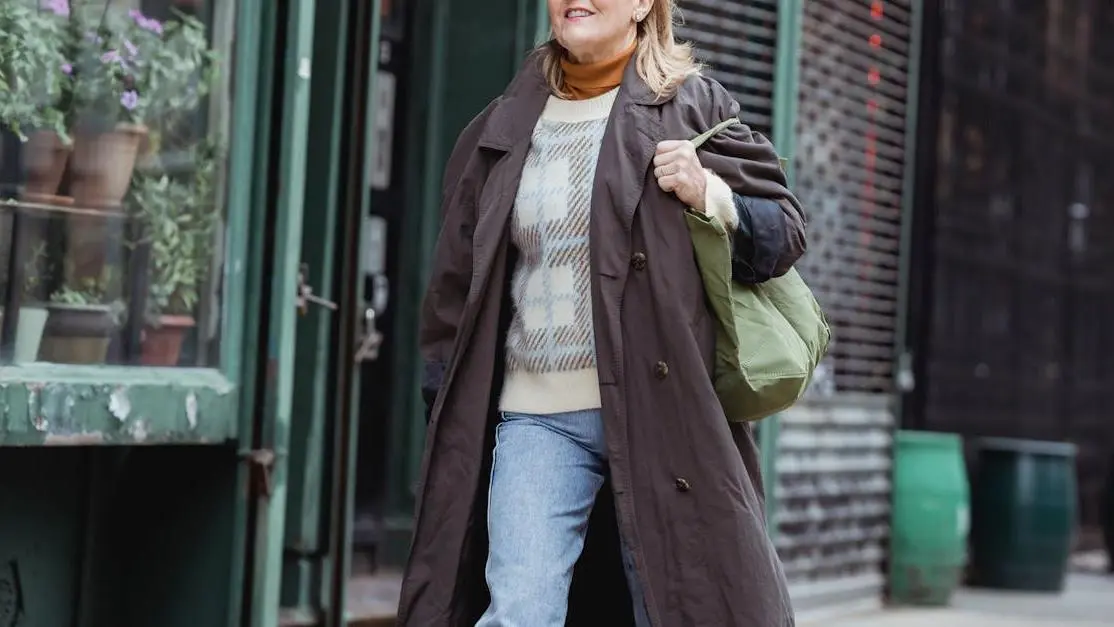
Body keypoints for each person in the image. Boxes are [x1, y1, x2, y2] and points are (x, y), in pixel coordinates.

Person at [397, 0, 807, 625]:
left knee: (679, 606)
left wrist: (709, 194)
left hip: (659, 410)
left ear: (644, 5)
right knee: (520, 609)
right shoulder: (502, 126)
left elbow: (783, 235)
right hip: (537, 417)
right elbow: (455, 283)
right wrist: (443, 402)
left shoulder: (692, 107)